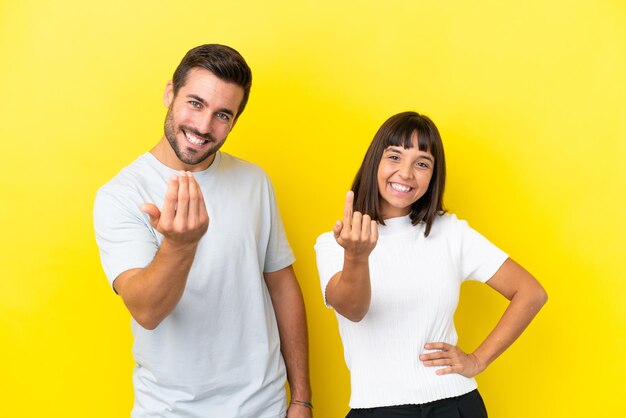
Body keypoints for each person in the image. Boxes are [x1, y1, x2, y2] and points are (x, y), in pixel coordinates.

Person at [94, 44, 312, 418]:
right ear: (169, 93)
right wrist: (180, 245)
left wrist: (301, 398)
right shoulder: (121, 195)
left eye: (222, 114)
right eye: (195, 103)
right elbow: (146, 310)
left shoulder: (253, 180)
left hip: (265, 406)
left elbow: (282, 286)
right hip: (171, 410)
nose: (203, 127)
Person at [315, 111, 547, 417]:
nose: (407, 173)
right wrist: (356, 257)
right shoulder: (335, 243)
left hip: (455, 404)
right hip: (378, 409)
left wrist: (477, 360)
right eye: (394, 156)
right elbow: (353, 310)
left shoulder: (451, 232)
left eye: (422, 163)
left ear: (432, 175)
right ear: (375, 163)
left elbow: (531, 293)